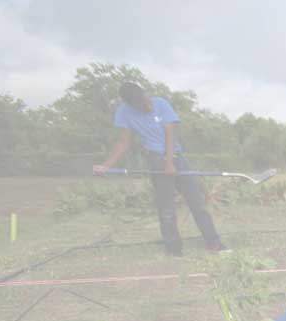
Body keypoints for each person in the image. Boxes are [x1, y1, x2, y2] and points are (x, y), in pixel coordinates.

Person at [94, 82, 225, 257]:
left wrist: (169, 162)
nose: (147, 105)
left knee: (197, 202)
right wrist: (106, 166)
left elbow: (170, 134)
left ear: (144, 93)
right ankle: (174, 250)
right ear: (131, 104)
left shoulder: (161, 104)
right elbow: (124, 142)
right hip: (155, 159)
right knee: (167, 209)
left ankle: (213, 243)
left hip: (176, 157)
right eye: (141, 104)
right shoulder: (124, 112)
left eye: (145, 99)